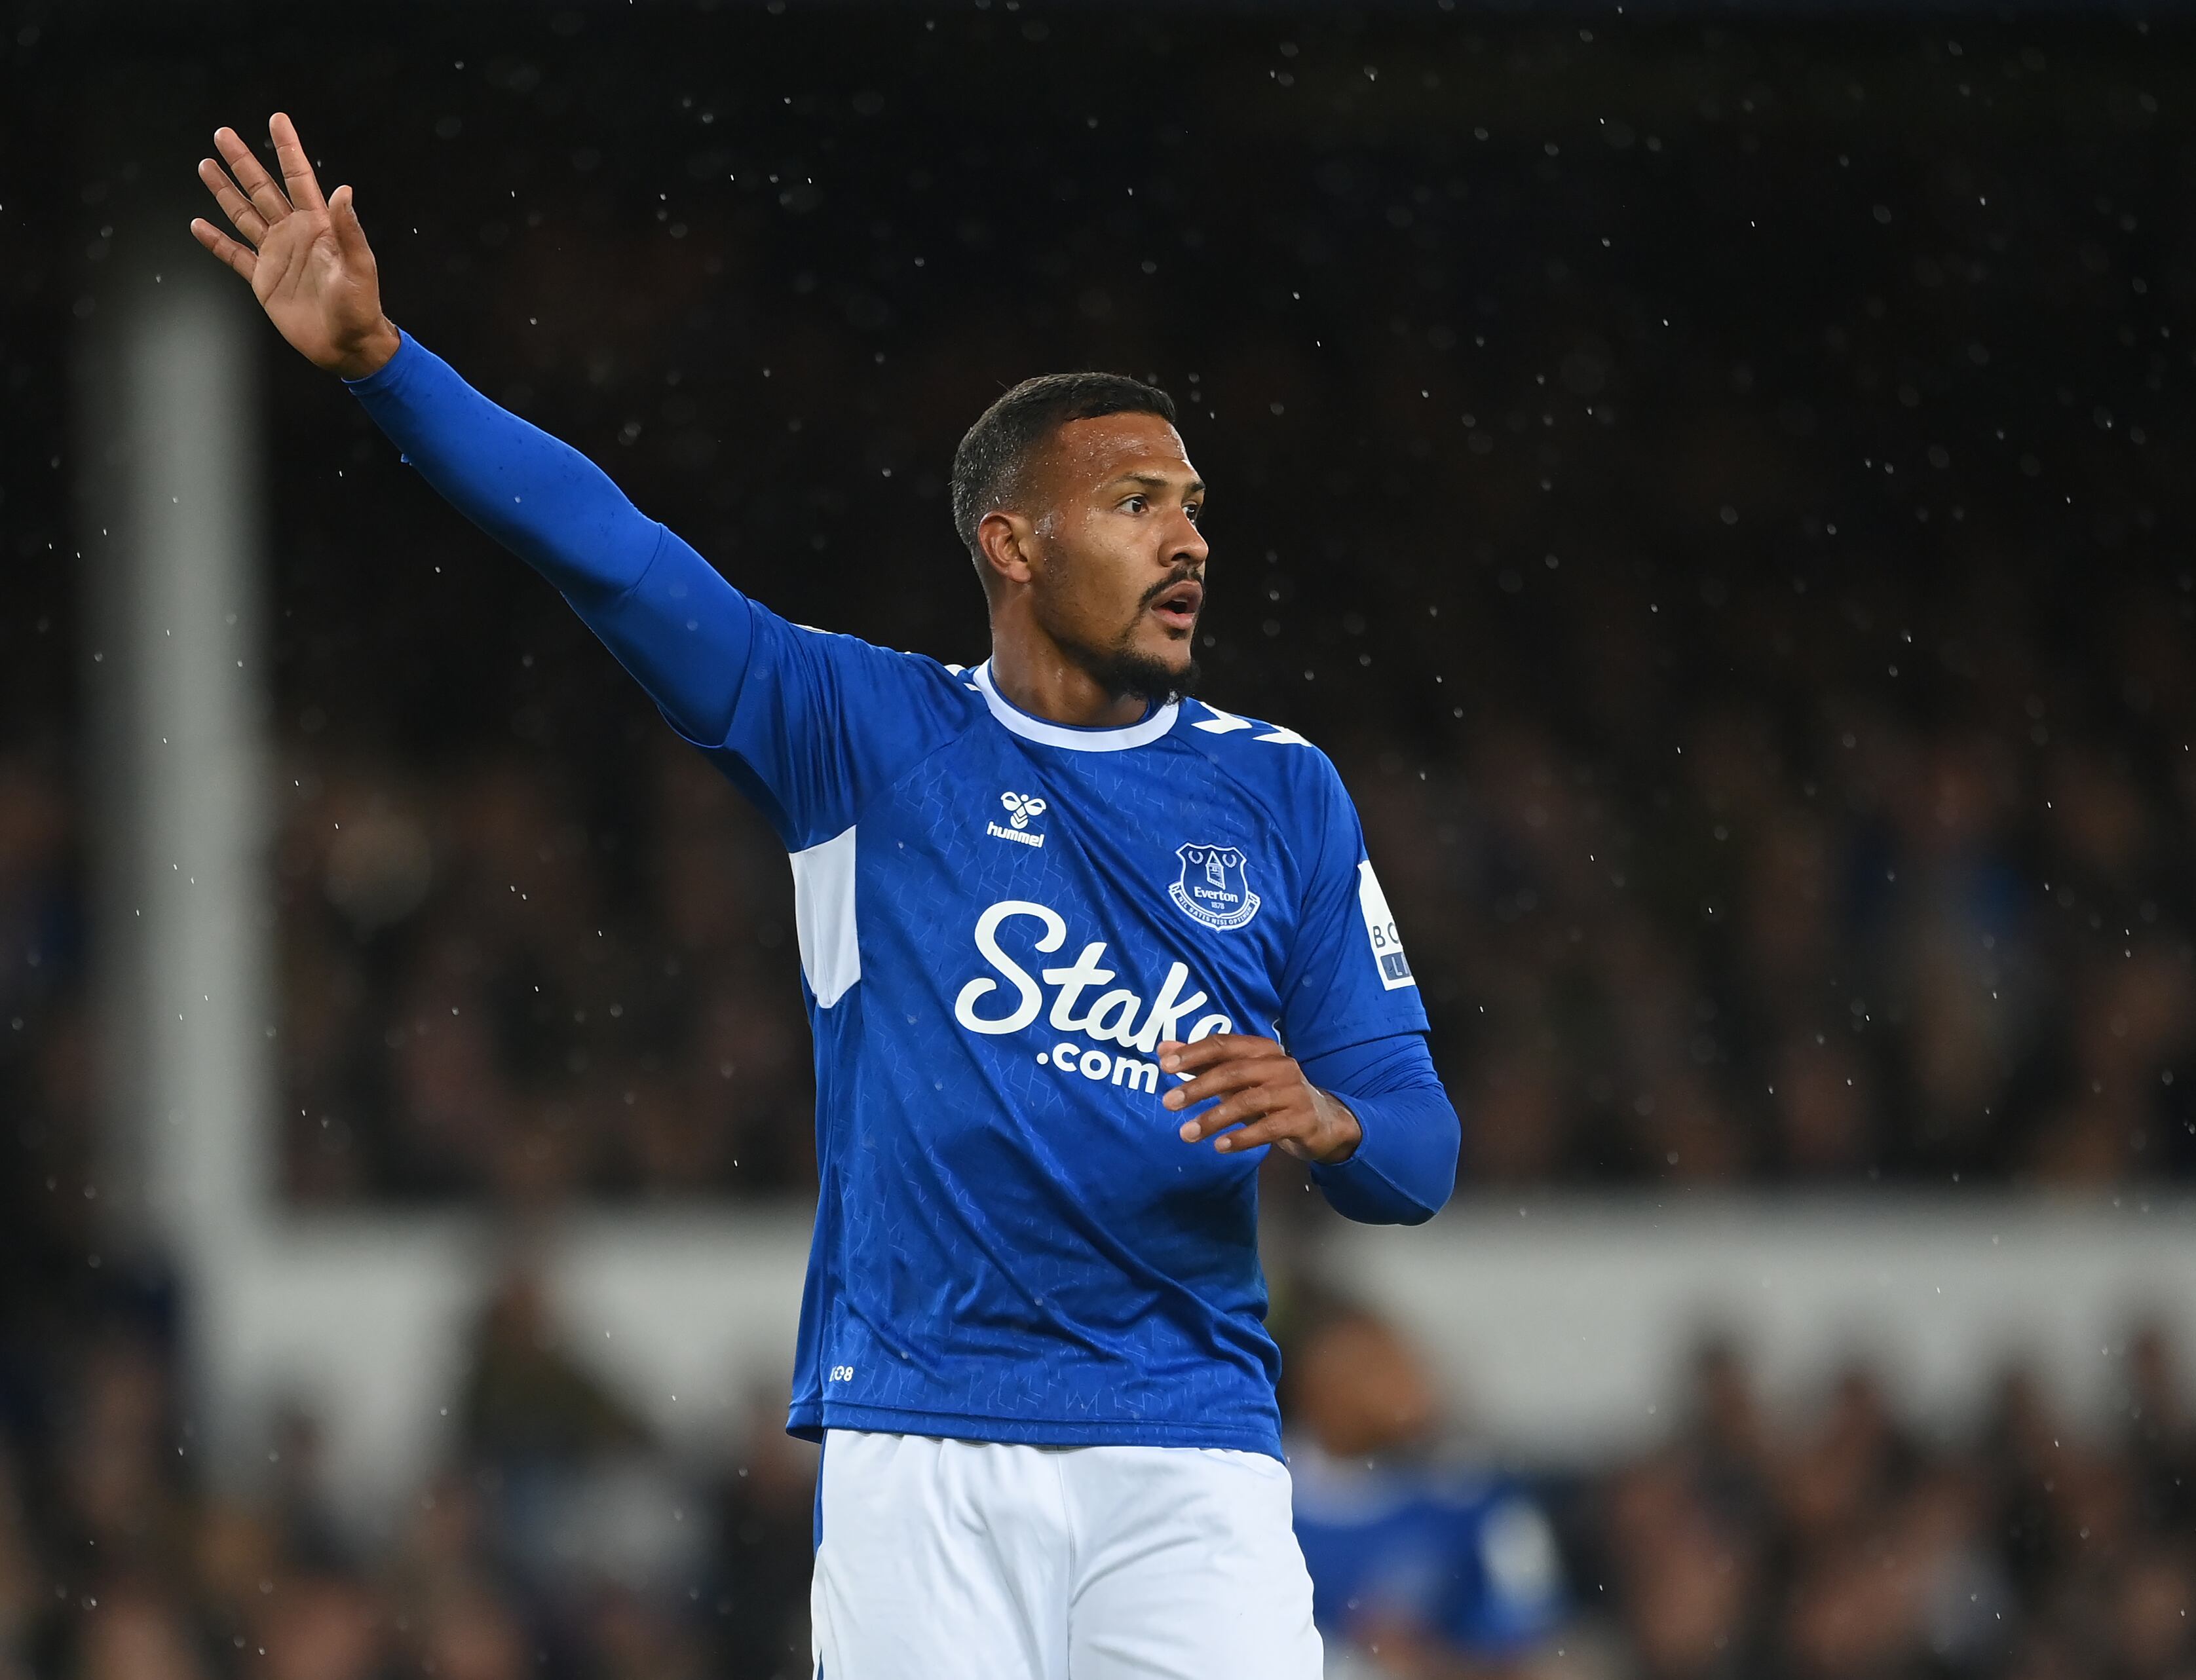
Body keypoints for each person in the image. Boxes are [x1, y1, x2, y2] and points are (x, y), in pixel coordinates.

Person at [190, 113, 1462, 1679]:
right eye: (1136, 501)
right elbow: (608, 554)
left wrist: (1328, 1122)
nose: (1187, 535)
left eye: (1191, 502)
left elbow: (1417, 1149)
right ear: (1010, 540)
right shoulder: (856, 736)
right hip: (917, 1437)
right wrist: (383, 363)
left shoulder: (1281, 791)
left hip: (1186, 1450)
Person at [1285, 1304, 1564, 1677]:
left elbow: (1542, 1653)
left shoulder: (1473, 1501)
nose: (1408, 1387)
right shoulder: (1262, 1496)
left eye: (1406, 1364)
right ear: (1318, 1386)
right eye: (1375, 1370)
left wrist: (1428, 1662)